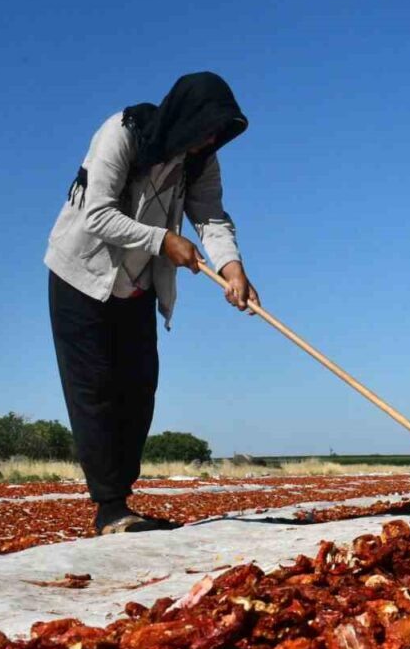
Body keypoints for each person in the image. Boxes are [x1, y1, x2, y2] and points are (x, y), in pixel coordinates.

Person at [45, 72, 259, 534]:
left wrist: (232, 267)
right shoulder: (122, 134)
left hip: (136, 284)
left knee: (139, 389)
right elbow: (98, 213)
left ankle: (124, 502)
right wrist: (163, 240)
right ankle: (110, 507)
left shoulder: (201, 159)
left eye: (218, 134)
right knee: (94, 389)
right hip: (82, 277)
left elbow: (211, 216)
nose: (209, 141)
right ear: (184, 116)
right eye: (206, 129)